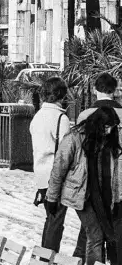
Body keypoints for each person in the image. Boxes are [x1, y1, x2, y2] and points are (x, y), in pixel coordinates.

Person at [47, 106, 122, 265]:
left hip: (101, 195)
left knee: (94, 234)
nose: (109, 131)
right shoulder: (74, 138)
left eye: (112, 127)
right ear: (97, 123)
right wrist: (51, 197)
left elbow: (114, 175)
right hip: (80, 193)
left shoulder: (108, 139)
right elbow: (59, 168)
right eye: (106, 127)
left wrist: (116, 199)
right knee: (95, 234)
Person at [31, 77, 80, 252]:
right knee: (56, 221)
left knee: (50, 217)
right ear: (60, 95)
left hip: (41, 174)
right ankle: (47, 258)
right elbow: (67, 151)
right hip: (57, 175)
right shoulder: (61, 118)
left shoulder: (37, 117)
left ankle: (44, 256)